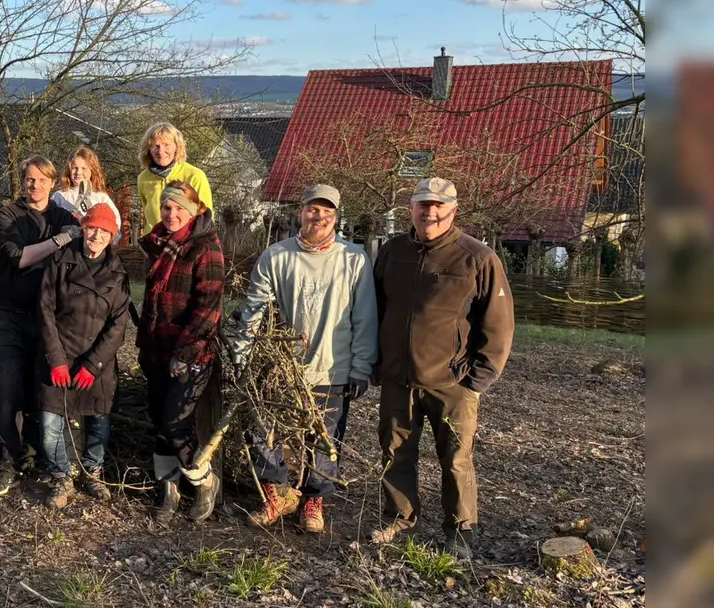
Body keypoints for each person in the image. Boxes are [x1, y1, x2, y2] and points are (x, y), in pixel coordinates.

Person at [371, 177, 514, 562]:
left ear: (453, 210)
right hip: (398, 378)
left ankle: (460, 530)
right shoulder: (392, 252)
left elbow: (498, 325)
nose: (429, 212)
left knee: (455, 457)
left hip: (452, 382)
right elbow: (377, 310)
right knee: (394, 452)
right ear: (410, 209)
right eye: (422, 205)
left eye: (438, 206)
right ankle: (400, 517)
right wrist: (376, 361)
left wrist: (476, 380)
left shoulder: (477, 258)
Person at [230, 185, 377, 532]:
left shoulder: (353, 259)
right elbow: (254, 310)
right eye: (313, 209)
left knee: (325, 438)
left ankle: (314, 499)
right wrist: (242, 355)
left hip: (332, 365)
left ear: (336, 218)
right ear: (301, 212)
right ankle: (277, 492)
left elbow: (365, 318)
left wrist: (360, 368)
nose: (319, 217)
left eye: (327, 212)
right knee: (263, 430)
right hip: (279, 367)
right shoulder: (277, 256)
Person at [0, 155, 82, 495]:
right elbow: (19, 257)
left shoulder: (62, 216)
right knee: (9, 391)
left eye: (42, 179)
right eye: (30, 178)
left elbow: (94, 245)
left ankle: (43, 458)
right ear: (22, 181)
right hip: (11, 317)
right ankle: (8, 463)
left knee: (40, 392)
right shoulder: (8, 215)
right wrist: (60, 240)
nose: (35, 184)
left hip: (49, 322)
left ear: (53, 183)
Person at [137, 181, 226, 523]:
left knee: (176, 422)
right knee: (159, 421)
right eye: (166, 208)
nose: (171, 214)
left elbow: (208, 307)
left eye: (178, 209)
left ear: (194, 211)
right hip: (156, 349)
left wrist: (186, 352)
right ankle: (168, 487)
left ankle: (203, 481)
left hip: (191, 355)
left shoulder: (205, 248)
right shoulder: (160, 245)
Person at [36, 202, 130, 509]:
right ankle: (61, 475)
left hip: (97, 362)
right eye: (93, 228)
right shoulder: (61, 260)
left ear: (112, 236)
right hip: (59, 354)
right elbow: (45, 311)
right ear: (83, 228)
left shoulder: (118, 273)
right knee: (51, 423)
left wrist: (94, 364)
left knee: (98, 422)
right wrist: (57, 358)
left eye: (105, 231)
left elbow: (118, 326)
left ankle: (93, 472)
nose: (97, 235)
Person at [135, 122, 213, 237]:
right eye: (155, 146)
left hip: (187, 245)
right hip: (154, 246)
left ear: (177, 147)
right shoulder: (143, 179)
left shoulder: (195, 176)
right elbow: (148, 218)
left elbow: (205, 218)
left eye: (167, 145)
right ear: (148, 150)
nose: (161, 152)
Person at [51, 146, 122, 238]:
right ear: (69, 169)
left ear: (92, 170)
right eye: (74, 168)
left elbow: (116, 227)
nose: (78, 172)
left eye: (84, 168)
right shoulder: (59, 197)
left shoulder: (101, 198)